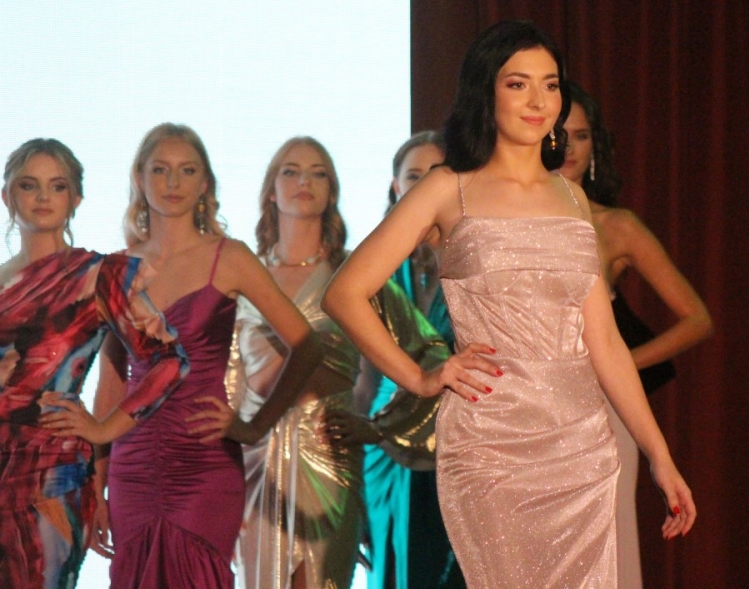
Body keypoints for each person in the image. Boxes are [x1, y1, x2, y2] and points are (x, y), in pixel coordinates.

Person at [322, 20, 696, 588]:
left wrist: (658, 455)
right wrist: (420, 378)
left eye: (551, 85)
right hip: (489, 443)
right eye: (519, 84)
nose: (539, 101)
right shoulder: (447, 187)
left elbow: (603, 340)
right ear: (486, 91)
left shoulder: (572, 197)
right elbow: (344, 293)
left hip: (581, 446)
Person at [41, 123, 322, 589]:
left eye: (187, 170)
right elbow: (112, 380)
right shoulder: (118, 267)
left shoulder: (230, 257)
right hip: (132, 463)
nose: (173, 182)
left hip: (204, 458)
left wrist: (254, 425)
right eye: (160, 170)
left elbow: (307, 345)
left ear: (205, 182)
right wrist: (96, 482)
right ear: (140, 178)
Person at [223, 136, 449, 589]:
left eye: (318, 173)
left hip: (328, 449)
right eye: (290, 171)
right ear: (271, 190)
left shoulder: (354, 276)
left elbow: (431, 354)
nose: (304, 181)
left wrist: (381, 425)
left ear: (332, 193)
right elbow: (227, 376)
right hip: (254, 456)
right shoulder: (243, 274)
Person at [0, 138, 189, 589]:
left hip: (50, 473)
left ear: (76, 198)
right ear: (8, 195)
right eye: (29, 185)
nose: (43, 197)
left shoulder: (98, 276)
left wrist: (104, 429)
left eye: (57, 186)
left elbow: (168, 360)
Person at [560, 80, 714, 587]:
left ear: (595, 145)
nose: (569, 146)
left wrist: (624, 364)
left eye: (581, 135)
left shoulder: (616, 226)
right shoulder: (507, 219)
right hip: (528, 409)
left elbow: (697, 318)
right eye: (559, 134)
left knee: (605, 549)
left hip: (603, 410)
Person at [355, 131, 464, 589]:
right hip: (383, 448)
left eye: (434, 173)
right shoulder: (375, 265)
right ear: (395, 187)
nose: (424, 185)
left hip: (455, 445)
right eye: (413, 176)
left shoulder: (472, 257)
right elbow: (364, 380)